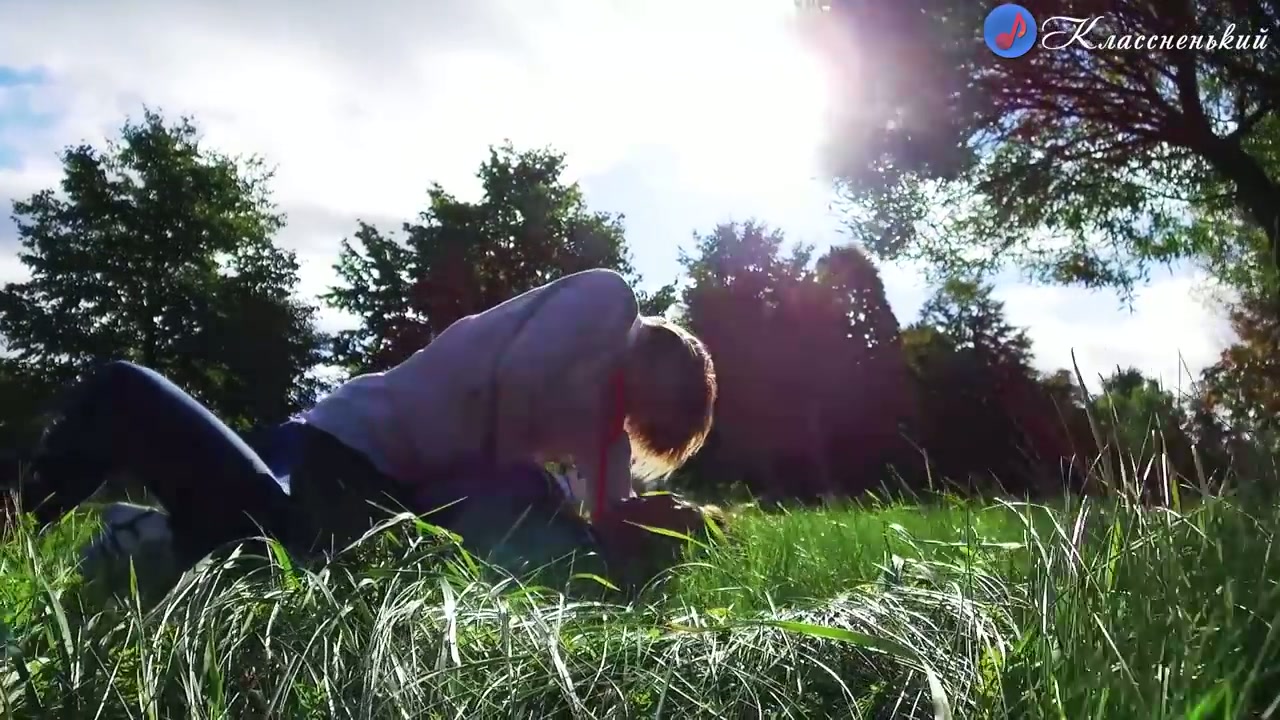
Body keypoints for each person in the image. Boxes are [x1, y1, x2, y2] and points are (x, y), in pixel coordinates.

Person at [4, 268, 718, 571]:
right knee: (292, 557)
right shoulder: (606, 302)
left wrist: (678, 529)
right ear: (661, 368)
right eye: (642, 412)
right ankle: (41, 508)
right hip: (349, 450)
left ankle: (147, 539)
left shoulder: (603, 427)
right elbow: (512, 381)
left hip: (379, 483)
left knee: (270, 557)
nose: (623, 425)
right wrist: (535, 492)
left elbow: (608, 526)